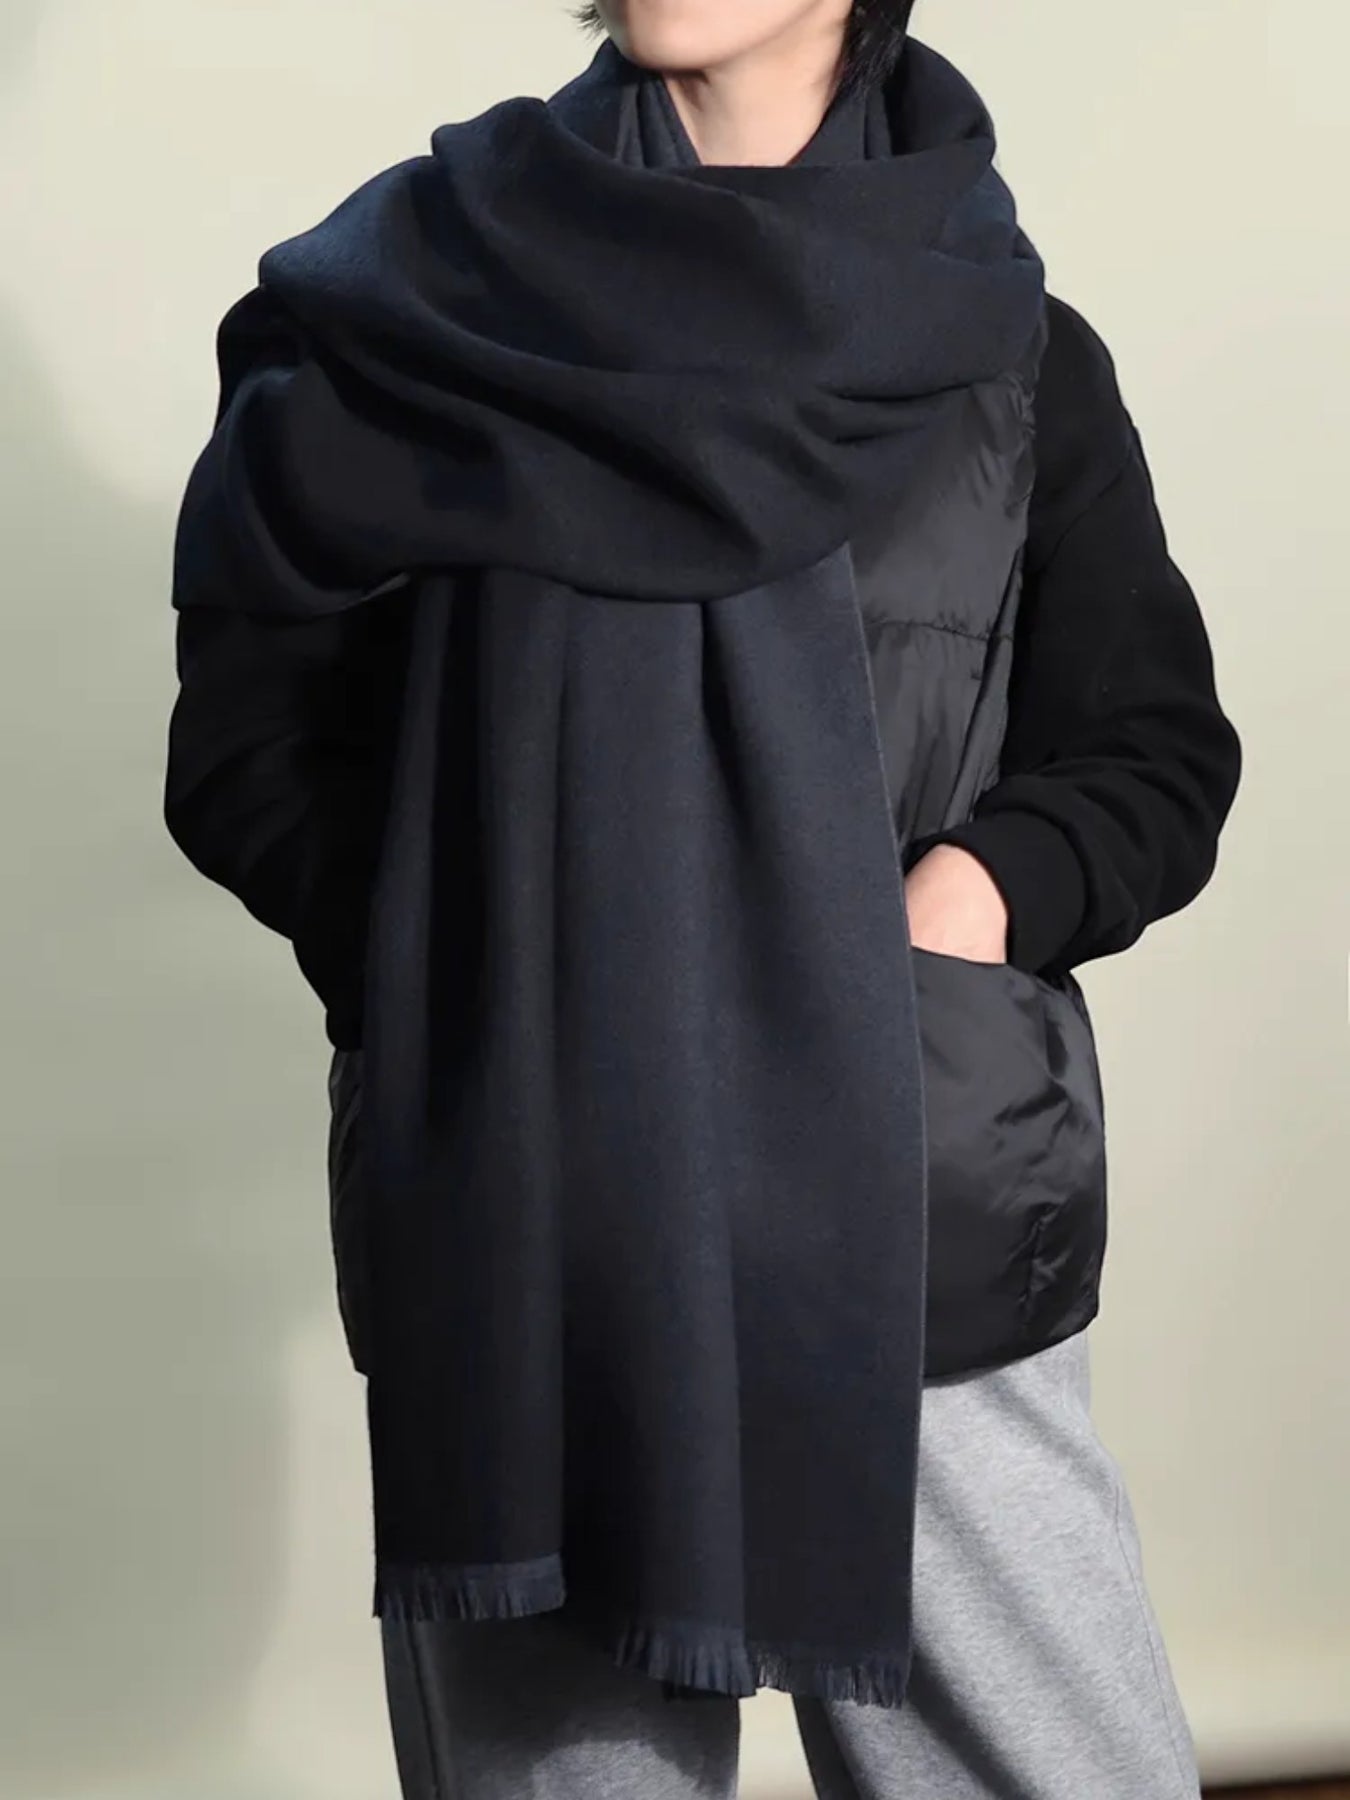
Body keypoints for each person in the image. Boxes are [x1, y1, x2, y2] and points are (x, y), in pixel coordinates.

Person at [164, 2, 1241, 1795]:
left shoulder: (1007, 356)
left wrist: (966, 900)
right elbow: (248, 747)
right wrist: (456, 966)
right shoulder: (406, 318)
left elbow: (1150, 750)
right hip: (528, 1213)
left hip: (912, 1199)